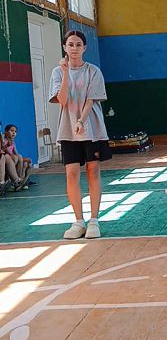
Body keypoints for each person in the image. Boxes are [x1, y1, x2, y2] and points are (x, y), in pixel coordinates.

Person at [49, 29, 112, 240]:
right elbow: (62, 100)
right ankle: (78, 221)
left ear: (84, 47)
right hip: (68, 130)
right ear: (64, 47)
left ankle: (94, 220)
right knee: (71, 174)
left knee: (93, 171)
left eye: (78, 44)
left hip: (91, 128)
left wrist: (81, 121)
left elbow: (91, 100)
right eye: (70, 44)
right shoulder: (57, 72)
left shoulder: (94, 71)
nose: (74, 48)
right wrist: (66, 72)